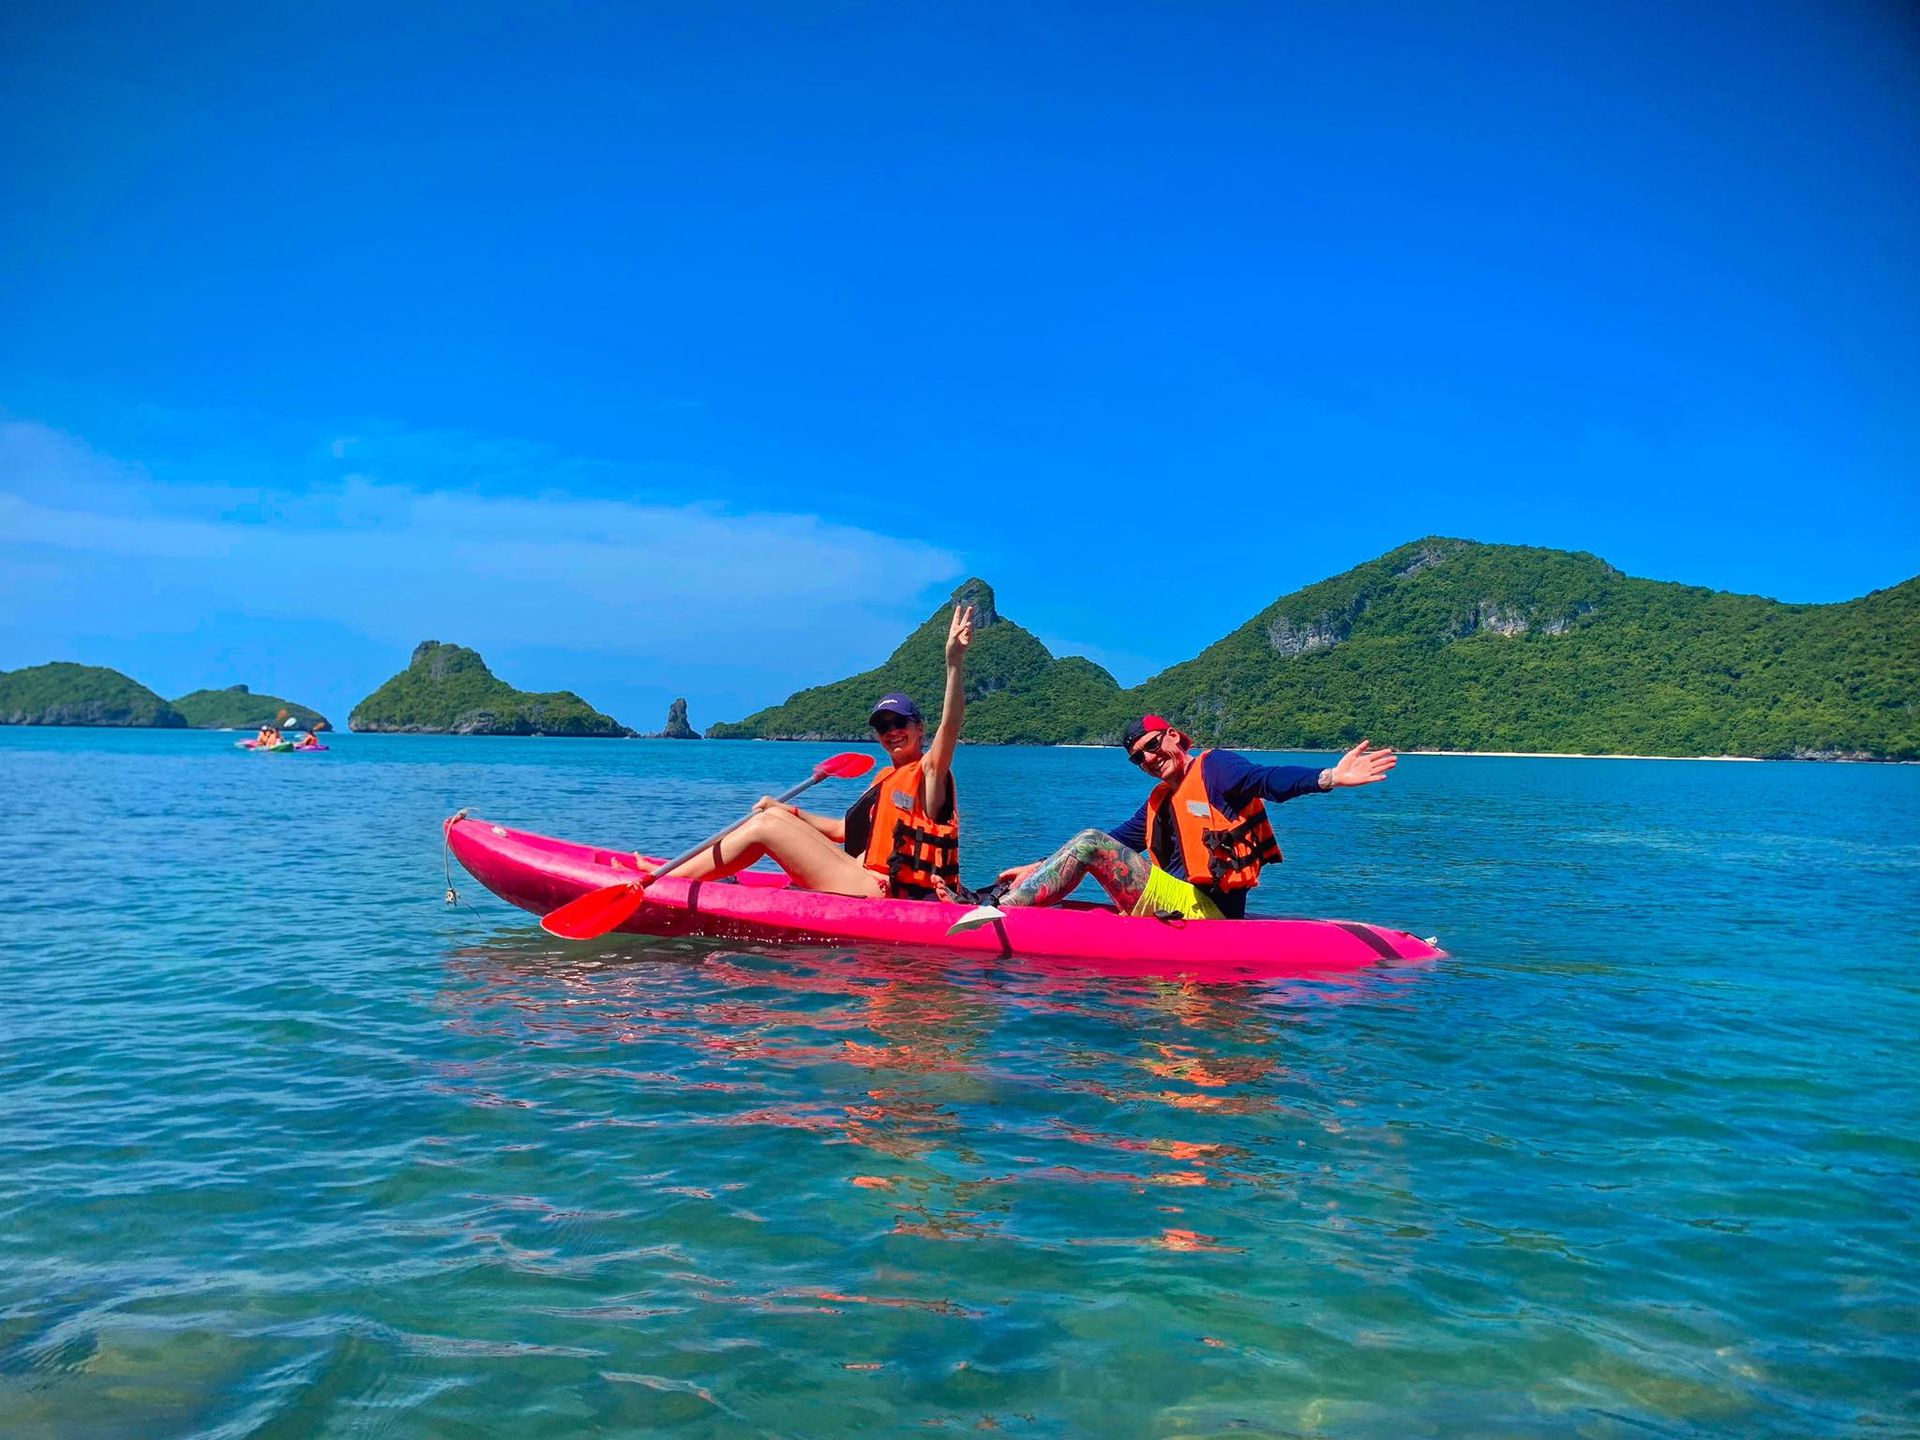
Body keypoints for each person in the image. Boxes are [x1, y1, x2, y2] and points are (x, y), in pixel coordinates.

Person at [643, 605, 974, 899]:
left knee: (765, 830)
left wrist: (954, 664)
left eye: (900, 722)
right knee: (769, 817)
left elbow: (951, 727)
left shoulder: (930, 774)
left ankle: (660, 883)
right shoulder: (886, 778)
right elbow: (845, 832)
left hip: (881, 892)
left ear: (920, 728)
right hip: (858, 875)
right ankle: (676, 874)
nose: (892, 732)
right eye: (883, 726)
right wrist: (788, 811)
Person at [989, 714, 1396, 921]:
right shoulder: (1160, 800)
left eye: (1151, 747)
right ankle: (999, 903)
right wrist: (1037, 866)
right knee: (1078, 879)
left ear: (1172, 736)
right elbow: (1117, 840)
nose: (1148, 760)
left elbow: (1267, 779)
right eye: (1138, 759)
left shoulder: (1215, 768)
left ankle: (995, 913)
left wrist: (1330, 778)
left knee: (1091, 840)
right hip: (1176, 902)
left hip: (1206, 911)